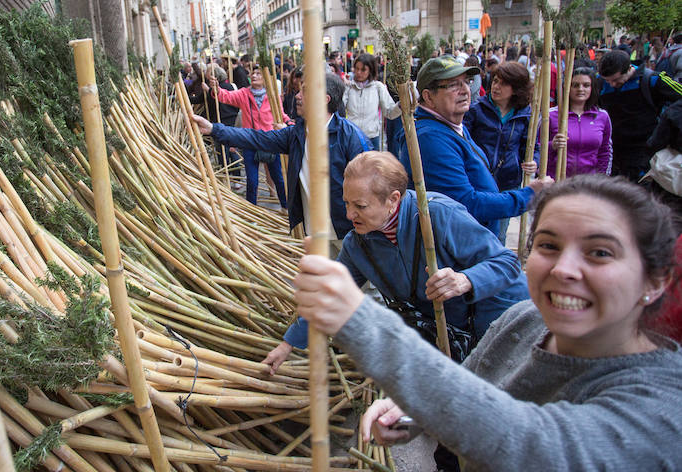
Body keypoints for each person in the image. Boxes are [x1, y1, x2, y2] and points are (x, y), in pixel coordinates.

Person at [295, 174, 682, 471]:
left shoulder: (663, 405)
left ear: (656, 279)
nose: (564, 269)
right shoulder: (523, 319)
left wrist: (362, 322)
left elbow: (531, 444)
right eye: (548, 245)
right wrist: (414, 411)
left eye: (599, 252)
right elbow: (472, 387)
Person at [262, 151, 530, 373]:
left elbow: (507, 262)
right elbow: (330, 296)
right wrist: (288, 345)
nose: (349, 214)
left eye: (360, 206)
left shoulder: (435, 216)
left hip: (499, 324)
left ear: (393, 200)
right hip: (448, 335)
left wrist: (466, 280)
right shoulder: (359, 244)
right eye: (346, 203)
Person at [192, 72, 370, 242]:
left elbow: (370, 187)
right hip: (313, 232)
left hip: (346, 233)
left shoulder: (350, 137)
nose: (298, 96)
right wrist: (214, 129)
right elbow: (257, 137)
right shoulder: (297, 134)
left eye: (305, 91)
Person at [395, 55, 552, 236]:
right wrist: (529, 195)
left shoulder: (451, 124)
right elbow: (466, 203)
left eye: (466, 82)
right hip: (458, 250)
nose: (465, 90)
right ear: (428, 97)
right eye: (453, 85)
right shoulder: (430, 138)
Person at [463, 61, 539, 243]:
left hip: (507, 182)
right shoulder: (475, 109)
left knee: (498, 235)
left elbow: (531, 146)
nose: (496, 87)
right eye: (495, 81)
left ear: (516, 88)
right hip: (478, 182)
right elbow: (463, 142)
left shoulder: (526, 114)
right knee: (472, 232)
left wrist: (533, 161)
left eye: (503, 83)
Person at [205, 68, 290, 206]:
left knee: (278, 178)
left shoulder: (272, 96)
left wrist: (289, 122)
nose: (254, 76)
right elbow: (227, 96)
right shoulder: (244, 93)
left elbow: (280, 113)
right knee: (252, 180)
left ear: (266, 78)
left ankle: (286, 207)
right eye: (253, 74)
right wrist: (217, 89)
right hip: (249, 140)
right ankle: (252, 211)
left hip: (270, 140)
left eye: (258, 74)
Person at [598, 49, 682, 181]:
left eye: (616, 80)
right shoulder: (601, 84)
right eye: (608, 81)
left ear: (629, 69)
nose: (612, 84)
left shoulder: (653, 79)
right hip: (614, 150)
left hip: (644, 149)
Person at [547, 67, 613, 178]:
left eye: (586, 85)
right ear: (567, 87)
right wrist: (552, 145)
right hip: (556, 182)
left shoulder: (602, 116)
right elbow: (537, 149)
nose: (580, 89)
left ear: (592, 88)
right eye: (575, 85)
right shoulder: (551, 116)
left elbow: (605, 152)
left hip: (589, 184)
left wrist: (601, 179)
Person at [190, 64, 242, 189]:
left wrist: (208, 90)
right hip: (220, 120)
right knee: (221, 150)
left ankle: (236, 177)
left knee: (229, 149)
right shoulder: (213, 88)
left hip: (226, 120)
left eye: (209, 77)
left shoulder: (225, 87)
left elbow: (219, 101)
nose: (207, 79)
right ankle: (226, 177)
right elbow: (199, 100)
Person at [343, 53, 401, 151]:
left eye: (363, 70)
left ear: (371, 70)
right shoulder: (348, 88)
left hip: (372, 137)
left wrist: (400, 106)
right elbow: (340, 107)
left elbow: (389, 111)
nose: (359, 72)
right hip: (352, 137)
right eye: (356, 69)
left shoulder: (378, 87)